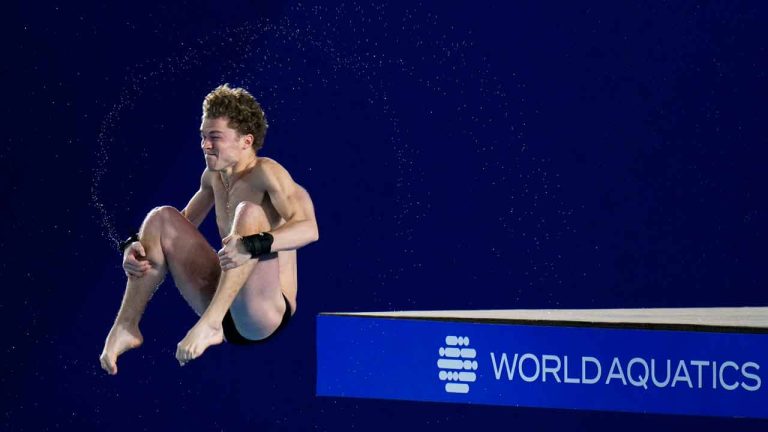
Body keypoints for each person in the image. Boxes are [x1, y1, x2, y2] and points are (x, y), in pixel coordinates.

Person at [99, 84, 319, 374]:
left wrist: (253, 245)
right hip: (223, 300)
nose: (205, 145)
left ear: (245, 141)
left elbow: (310, 230)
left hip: (263, 314)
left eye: (215, 138)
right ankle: (126, 325)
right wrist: (135, 247)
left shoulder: (268, 173)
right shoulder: (213, 177)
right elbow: (177, 228)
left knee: (248, 213)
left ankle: (210, 324)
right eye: (203, 137)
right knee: (160, 217)